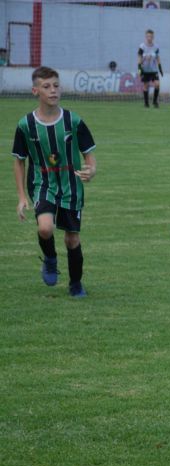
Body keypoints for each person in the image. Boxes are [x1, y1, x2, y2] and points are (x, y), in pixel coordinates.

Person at [12, 66, 97, 298]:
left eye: (56, 86)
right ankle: (50, 258)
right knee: (45, 227)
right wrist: (21, 197)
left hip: (71, 186)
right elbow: (19, 162)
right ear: (35, 90)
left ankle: (76, 284)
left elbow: (89, 155)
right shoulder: (25, 125)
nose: (53, 91)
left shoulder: (73, 120)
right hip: (42, 184)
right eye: (47, 86)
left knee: (72, 239)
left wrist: (92, 170)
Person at [138, 29, 163, 108]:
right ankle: (146, 103)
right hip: (145, 70)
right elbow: (139, 58)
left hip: (153, 70)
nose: (149, 38)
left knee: (157, 84)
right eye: (148, 36)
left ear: (153, 37)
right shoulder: (142, 46)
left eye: (151, 36)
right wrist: (139, 69)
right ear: (145, 37)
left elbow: (158, 57)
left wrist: (160, 68)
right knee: (146, 86)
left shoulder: (156, 47)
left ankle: (155, 101)